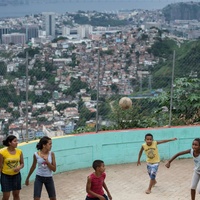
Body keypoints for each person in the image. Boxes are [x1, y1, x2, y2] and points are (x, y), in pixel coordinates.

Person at [25, 136, 57, 200]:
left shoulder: (52, 154)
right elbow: (33, 166)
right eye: (49, 144)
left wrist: (47, 162)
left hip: (49, 178)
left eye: (51, 144)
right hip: (39, 177)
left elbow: (54, 169)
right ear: (44, 145)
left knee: (53, 198)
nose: (51, 146)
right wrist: (27, 178)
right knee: (36, 197)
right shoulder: (36, 154)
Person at [0, 135, 24, 200]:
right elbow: (0, 165)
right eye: (14, 141)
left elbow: (22, 164)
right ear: (9, 143)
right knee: (6, 196)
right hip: (5, 176)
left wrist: (19, 167)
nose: (17, 143)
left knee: (16, 195)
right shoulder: (2, 152)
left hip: (16, 176)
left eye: (17, 141)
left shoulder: (19, 152)